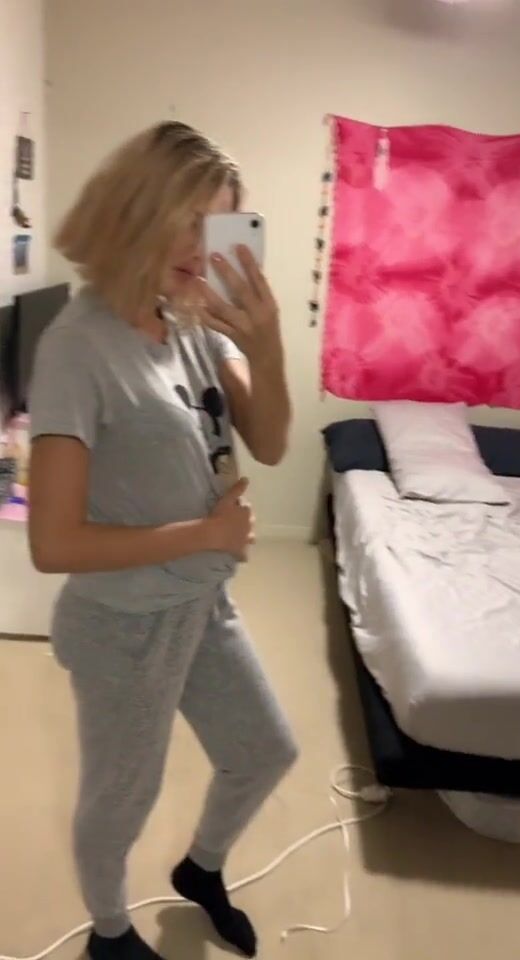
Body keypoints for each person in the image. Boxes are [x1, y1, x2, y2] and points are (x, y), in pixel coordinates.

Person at [28, 122, 297, 960]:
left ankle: (200, 869)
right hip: (124, 625)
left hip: (200, 603)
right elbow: (53, 544)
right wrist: (205, 532)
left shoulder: (189, 324)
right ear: (134, 210)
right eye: (186, 220)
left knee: (265, 751)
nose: (199, 248)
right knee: (122, 797)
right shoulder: (76, 348)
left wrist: (266, 345)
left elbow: (271, 441)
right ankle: (109, 934)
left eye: (217, 226)